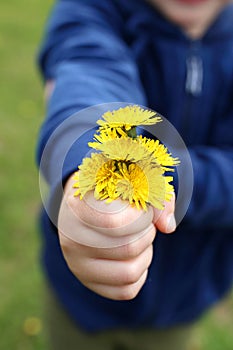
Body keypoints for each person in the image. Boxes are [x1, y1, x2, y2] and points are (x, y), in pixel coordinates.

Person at [36, 0, 233, 349]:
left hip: (181, 300)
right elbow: (89, 75)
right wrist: (89, 161)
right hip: (78, 296)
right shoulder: (92, 9)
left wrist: (163, 177)